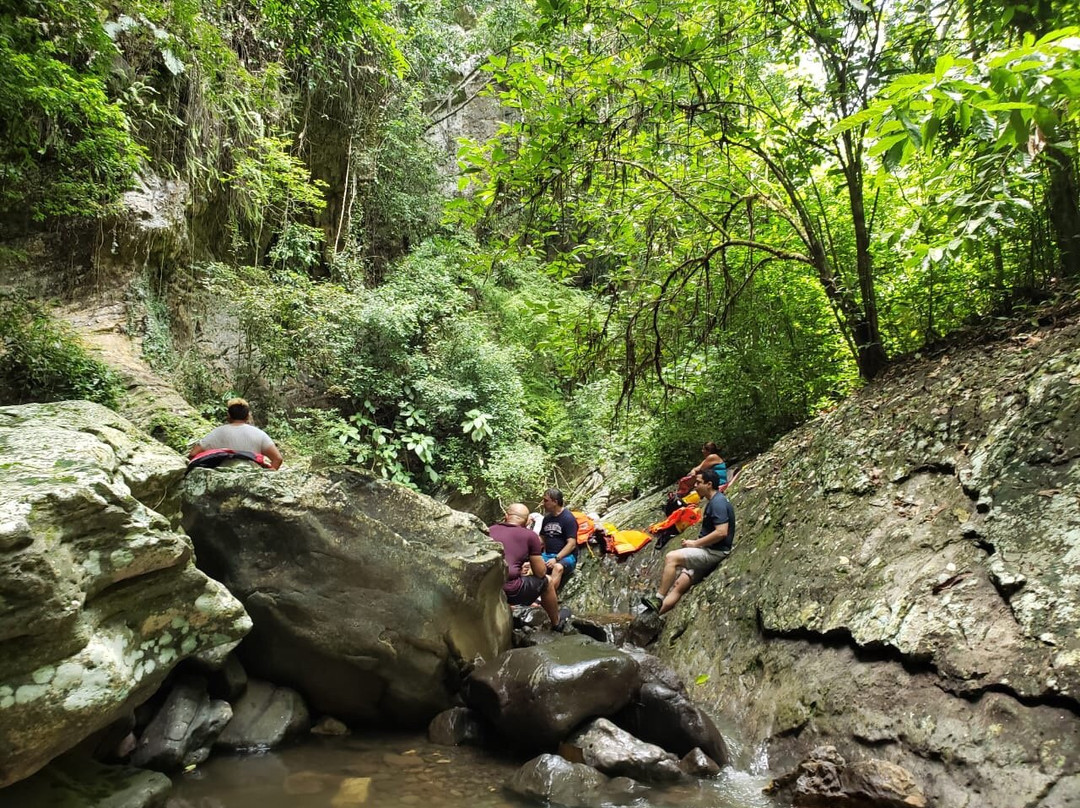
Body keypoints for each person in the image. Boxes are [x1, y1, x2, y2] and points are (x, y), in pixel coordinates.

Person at [642, 468, 734, 615]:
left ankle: (658, 598)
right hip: (708, 550)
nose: (695, 486)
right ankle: (653, 615)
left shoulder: (718, 503)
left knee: (671, 557)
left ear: (709, 484)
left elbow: (721, 532)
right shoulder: (714, 501)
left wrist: (695, 544)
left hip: (714, 552)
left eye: (698, 483)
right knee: (679, 584)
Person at [489, 503, 565, 630]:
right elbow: (540, 573)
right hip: (510, 590)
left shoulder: (489, 530)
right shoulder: (530, 536)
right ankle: (556, 623)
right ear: (527, 522)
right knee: (547, 581)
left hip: (488, 585)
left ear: (506, 516)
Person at [188, 398, 283, 470]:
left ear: (229, 415)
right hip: (252, 479)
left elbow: (193, 454)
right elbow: (278, 459)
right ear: (247, 416)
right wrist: (266, 476)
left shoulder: (217, 433)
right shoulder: (259, 434)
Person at [538, 488, 579, 591]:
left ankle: (547, 596)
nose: (543, 503)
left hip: (567, 557)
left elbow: (571, 544)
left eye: (546, 500)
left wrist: (556, 559)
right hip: (548, 555)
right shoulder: (547, 518)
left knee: (558, 568)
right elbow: (541, 538)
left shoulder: (568, 518)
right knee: (530, 564)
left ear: (555, 502)